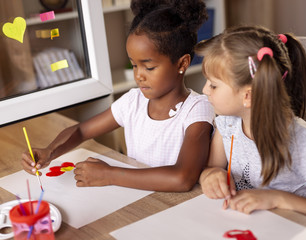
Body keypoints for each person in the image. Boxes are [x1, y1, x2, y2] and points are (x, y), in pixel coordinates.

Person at [21, 0, 214, 192]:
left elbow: (183, 178)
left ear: (182, 64)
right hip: (136, 199)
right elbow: (81, 131)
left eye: (149, 67)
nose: (139, 75)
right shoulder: (133, 101)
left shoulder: (197, 109)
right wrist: (50, 151)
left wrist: (109, 175)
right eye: (134, 65)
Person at [196, 25, 306, 222]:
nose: (205, 90)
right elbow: (211, 168)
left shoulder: (304, 142)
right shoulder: (227, 123)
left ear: (248, 95)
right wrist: (211, 176)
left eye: (213, 85)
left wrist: (277, 198)